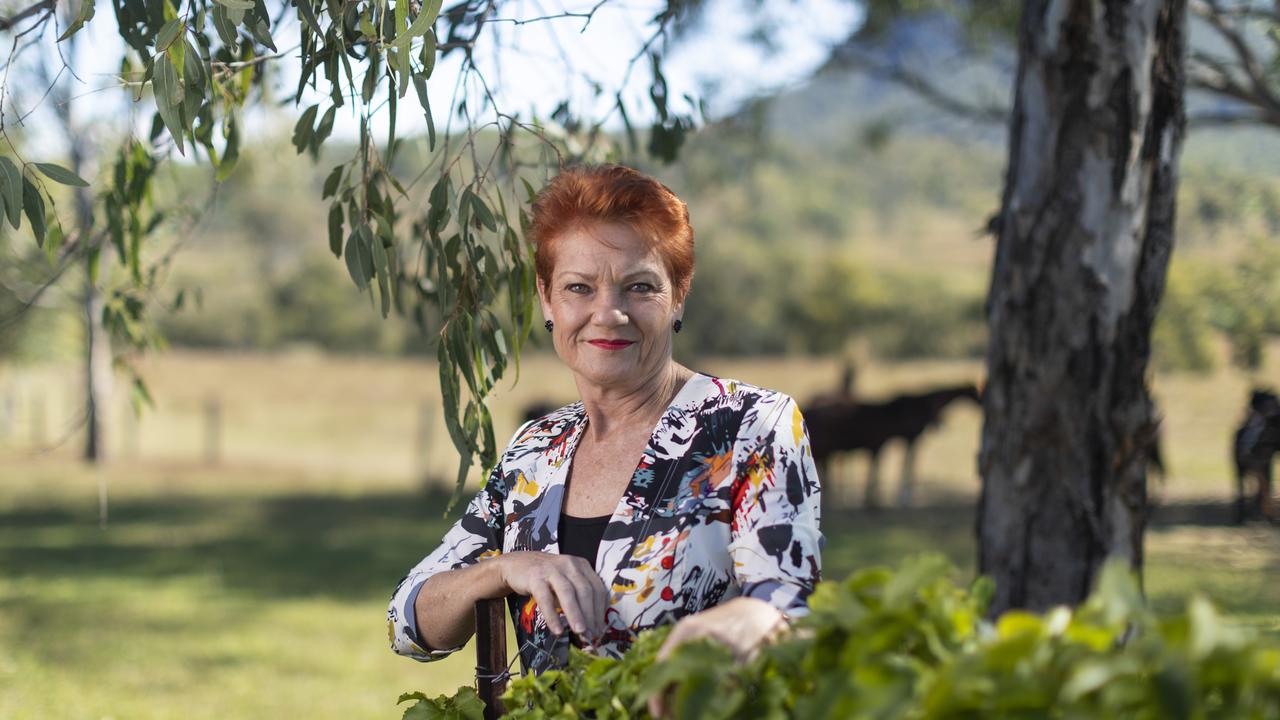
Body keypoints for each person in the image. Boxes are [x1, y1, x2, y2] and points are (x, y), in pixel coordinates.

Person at [387, 164, 823, 678]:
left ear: (679, 293)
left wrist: (747, 623)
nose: (608, 312)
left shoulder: (752, 425)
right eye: (579, 287)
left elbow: (785, 608)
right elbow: (408, 623)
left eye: (639, 287)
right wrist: (505, 568)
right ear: (546, 297)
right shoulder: (535, 450)